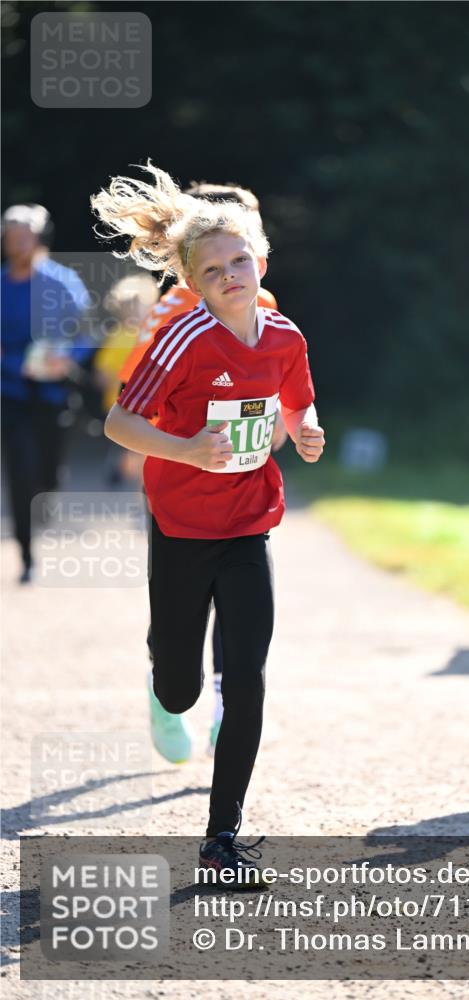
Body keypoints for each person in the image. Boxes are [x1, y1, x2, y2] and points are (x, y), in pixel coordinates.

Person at [91, 162, 325, 880]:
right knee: (181, 686)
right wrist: (188, 448)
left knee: (246, 676)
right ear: (191, 280)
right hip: (182, 525)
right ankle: (163, 682)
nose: (231, 274)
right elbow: (118, 423)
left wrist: (307, 427)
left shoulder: (284, 335)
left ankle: (221, 837)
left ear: (259, 258)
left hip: (249, 522)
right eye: (214, 268)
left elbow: (297, 402)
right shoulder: (180, 336)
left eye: (240, 260)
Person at [117, 182, 285, 762]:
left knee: (240, 609)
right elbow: (132, 400)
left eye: (250, 247)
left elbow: (276, 382)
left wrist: (287, 426)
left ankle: (223, 700)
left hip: (239, 483)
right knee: (182, 608)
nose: (243, 263)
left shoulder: (263, 303)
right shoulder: (173, 310)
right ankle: (165, 685)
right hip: (177, 476)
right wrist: (169, 449)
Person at [1, 204, 92, 582]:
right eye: (10, 237)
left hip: (53, 396)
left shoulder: (63, 283)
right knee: (19, 473)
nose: (17, 243)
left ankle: (47, 494)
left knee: (47, 475)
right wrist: (13, 365)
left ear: (38, 238)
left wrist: (67, 359)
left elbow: (87, 333)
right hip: (11, 394)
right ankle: (26, 555)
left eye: (24, 236)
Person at [92, 273, 159, 483]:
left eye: (139, 303)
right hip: (120, 402)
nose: (134, 309)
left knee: (138, 445)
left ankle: (128, 471)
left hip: (146, 404)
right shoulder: (119, 335)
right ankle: (122, 471)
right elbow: (102, 371)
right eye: (129, 304)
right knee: (127, 442)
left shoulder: (155, 332)